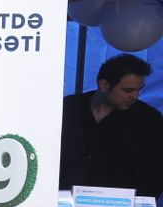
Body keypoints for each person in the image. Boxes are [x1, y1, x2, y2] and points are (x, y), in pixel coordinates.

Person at [60, 53, 163, 199]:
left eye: (139, 90)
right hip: (63, 201)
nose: (135, 96)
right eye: (128, 90)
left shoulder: (148, 119)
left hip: (121, 206)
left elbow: (156, 171)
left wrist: (140, 204)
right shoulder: (67, 108)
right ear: (104, 85)